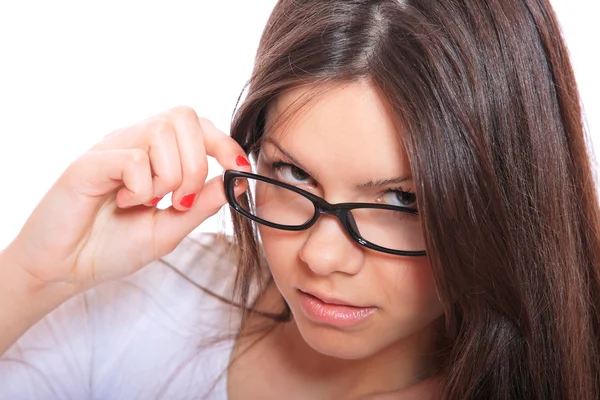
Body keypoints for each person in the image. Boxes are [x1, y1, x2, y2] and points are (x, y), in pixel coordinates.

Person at [1, 0, 599, 399]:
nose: (321, 257)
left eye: (400, 200)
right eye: (292, 173)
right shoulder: (155, 300)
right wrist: (33, 275)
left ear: (505, 204)